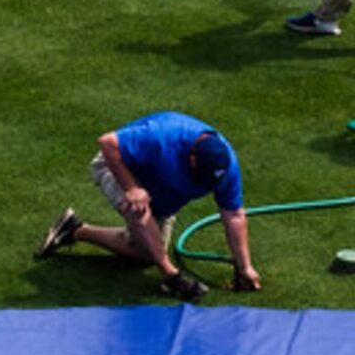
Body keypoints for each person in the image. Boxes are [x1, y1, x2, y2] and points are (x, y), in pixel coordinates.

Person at [36, 110, 261, 302]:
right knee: (139, 209)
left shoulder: (225, 166)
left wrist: (244, 267)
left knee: (145, 255)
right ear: (191, 160)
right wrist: (131, 188)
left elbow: (233, 214)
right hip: (119, 169)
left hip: (161, 195)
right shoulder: (163, 135)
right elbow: (108, 143)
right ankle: (171, 278)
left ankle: (74, 230)